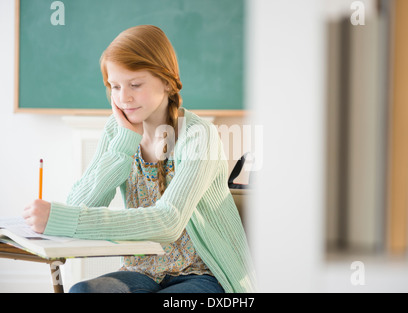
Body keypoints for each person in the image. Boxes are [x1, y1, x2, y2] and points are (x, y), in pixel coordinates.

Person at [22, 25, 255, 293]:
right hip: (143, 271)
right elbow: (80, 205)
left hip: (204, 275)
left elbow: (168, 222)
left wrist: (64, 217)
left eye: (135, 84)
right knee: (82, 291)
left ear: (167, 81)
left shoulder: (199, 135)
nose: (123, 98)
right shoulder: (116, 131)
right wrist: (124, 144)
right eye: (115, 86)